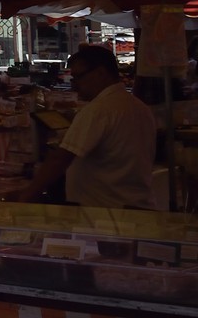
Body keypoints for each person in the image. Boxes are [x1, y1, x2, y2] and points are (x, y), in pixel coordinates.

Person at [12, 44, 156, 208]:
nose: (74, 85)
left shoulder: (99, 110)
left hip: (103, 212)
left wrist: (26, 197)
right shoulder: (139, 107)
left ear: (101, 73)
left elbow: (61, 158)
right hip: (135, 206)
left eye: (79, 77)